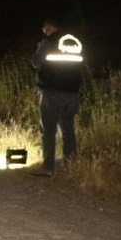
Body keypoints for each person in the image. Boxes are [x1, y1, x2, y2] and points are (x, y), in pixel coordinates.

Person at [31, 18, 85, 176]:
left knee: (48, 130)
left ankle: (48, 167)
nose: (44, 33)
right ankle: (71, 165)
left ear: (48, 28)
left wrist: (39, 47)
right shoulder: (76, 41)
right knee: (68, 128)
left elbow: (35, 62)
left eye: (44, 30)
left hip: (51, 92)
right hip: (72, 93)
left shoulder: (48, 42)